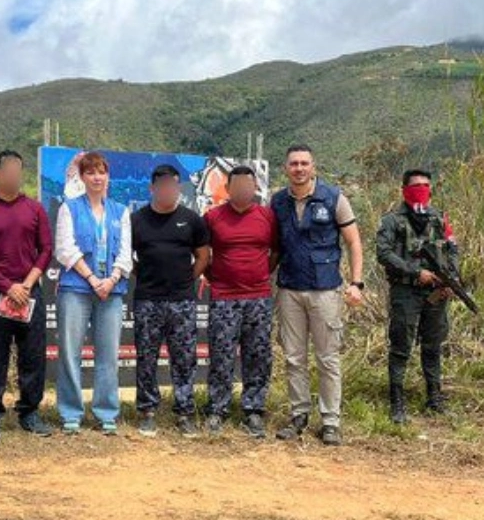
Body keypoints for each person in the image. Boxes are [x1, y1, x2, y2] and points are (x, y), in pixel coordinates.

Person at [270, 144, 365, 445]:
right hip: (290, 289)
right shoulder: (278, 202)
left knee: (327, 359)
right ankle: (298, 415)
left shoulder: (335, 198)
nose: (299, 168)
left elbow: (354, 242)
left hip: (326, 290)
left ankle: (331, 421)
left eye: (304, 163)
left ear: (313, 167)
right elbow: (273, 248)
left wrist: (356, 283)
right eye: (293, 164)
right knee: (294, 358)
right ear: (286, 168)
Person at [0, 150, 54, 445]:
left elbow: (46, 249)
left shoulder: (35, 209)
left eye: (19, 171)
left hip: (30, 293)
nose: (14, 176)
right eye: (9, 171)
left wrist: (26, 284)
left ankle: (29, 412)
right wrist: (6, 285)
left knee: (33, 356)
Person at [53, 152, 132, 435]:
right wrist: (91, 278)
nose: (97, 177)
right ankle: (71, 412)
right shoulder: (69, 208)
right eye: (91, 172)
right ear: (82, 178)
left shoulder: (120, 212)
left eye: (101, 172)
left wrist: (110, 280)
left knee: (108, 354)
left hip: (111, 291)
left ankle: (106, 412)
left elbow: (126, 254)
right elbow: (64, 249)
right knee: (70, 352)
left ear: (108, 176)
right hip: (76, 288)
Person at [130, 164, 210, 438]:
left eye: (173, 185)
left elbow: (203, 256)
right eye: (162, 185)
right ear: (152, 188)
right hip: (147, 300)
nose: (168, 190)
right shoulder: (136, 220)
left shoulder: (192, 220)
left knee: (184, 358)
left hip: (182, 301)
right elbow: (126, 257)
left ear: (178, 188)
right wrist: (144, 276)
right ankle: (147, 412)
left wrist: (187, 280)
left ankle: (185, 412)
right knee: (146, 357)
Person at [375, 169, 459, 425]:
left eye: (426, 185)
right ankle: (397, 402)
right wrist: (415, 271)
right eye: (416, 186)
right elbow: (384, 253)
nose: (421, 189)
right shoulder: (392, 220)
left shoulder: (439, 218)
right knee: (401, 346)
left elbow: (452, 249)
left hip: (436, 291)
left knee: (433, 345)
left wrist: (451, 280)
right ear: (404, 190)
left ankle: (434, 397)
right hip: (406, 291)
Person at [203, 165, 277, 438]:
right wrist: (218, 278)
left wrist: (259, 275)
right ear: (229, 188)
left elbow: (275, 252)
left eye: (249, 185)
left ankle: (253, 410)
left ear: (255, 187)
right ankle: (217, 409)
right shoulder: (212, 218)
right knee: (221, 355)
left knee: (257, 355)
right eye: (238, 185)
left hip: (258, 297)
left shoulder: (267, 216)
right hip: (224, 299)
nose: (243, 189)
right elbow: (202, 254)